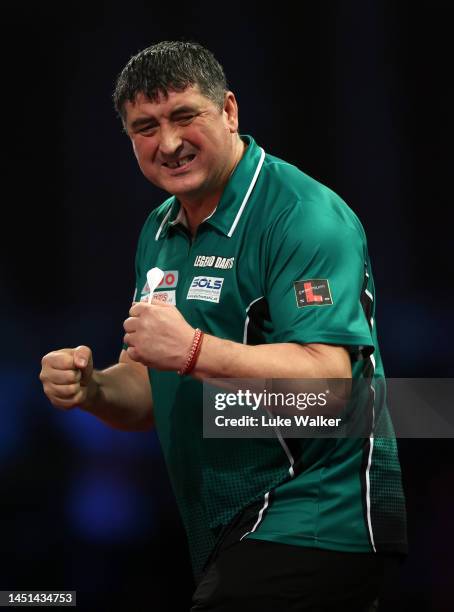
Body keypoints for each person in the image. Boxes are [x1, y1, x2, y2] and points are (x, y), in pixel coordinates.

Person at [39, 41, 407, 611]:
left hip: (316, 518)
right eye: (145, 127)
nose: (167, 143)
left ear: (229, 111)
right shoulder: (158, 231)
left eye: (185, 116)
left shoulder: (301, 214)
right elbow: (151, 393)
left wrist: (191, 350)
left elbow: (331, 383)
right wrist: (93, 389)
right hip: (228, 531)